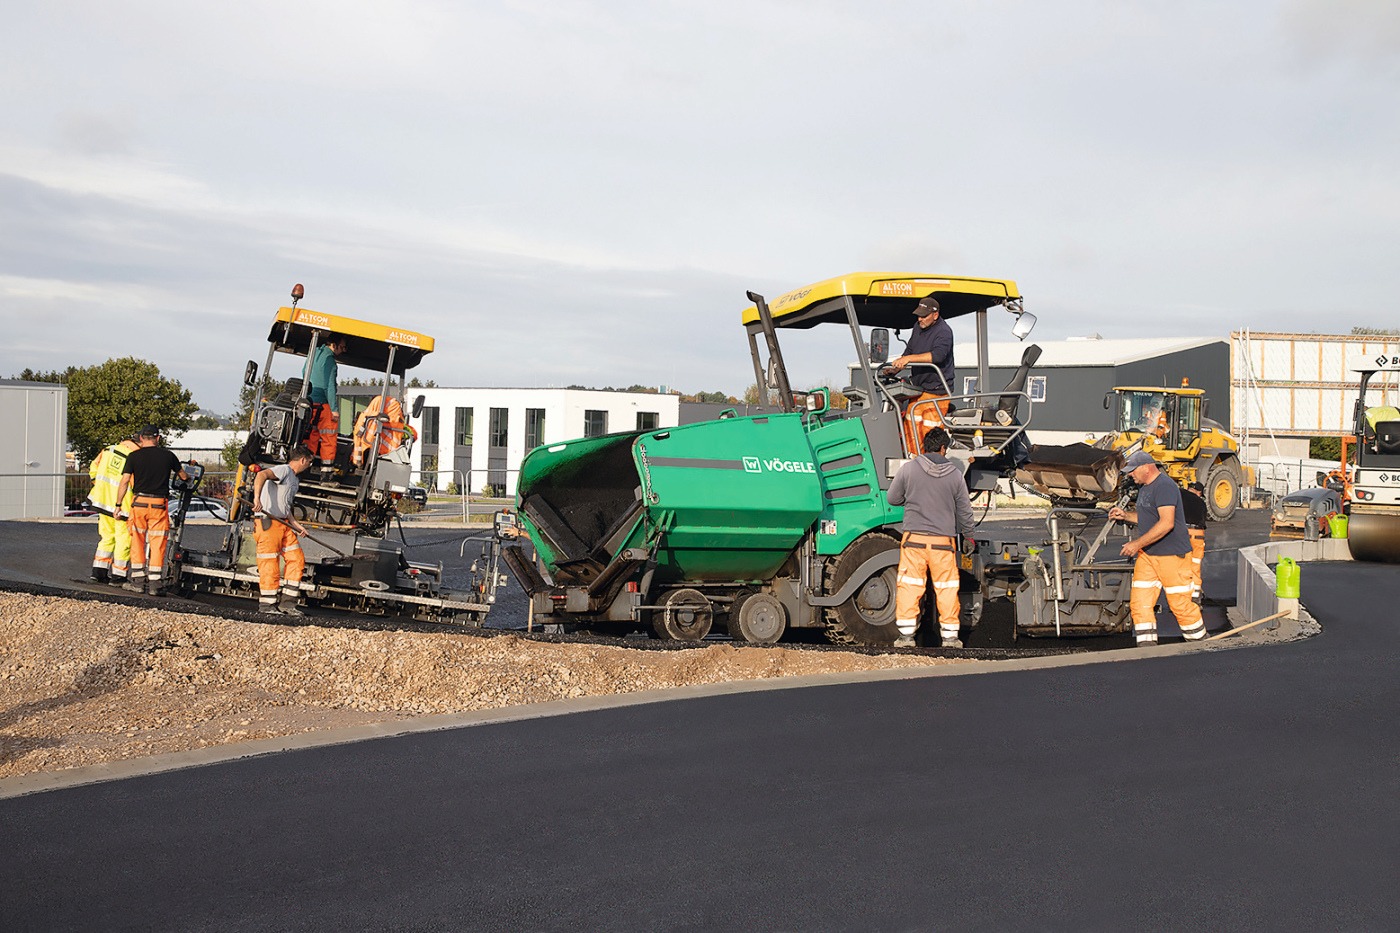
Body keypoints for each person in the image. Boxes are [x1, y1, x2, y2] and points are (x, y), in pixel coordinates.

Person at [886, 426, 975, 648]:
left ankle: (906, 637)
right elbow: (965, 511)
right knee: (946, 588)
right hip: (942, 543)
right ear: (943, 448)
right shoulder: (955, 475)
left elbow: (892, 498)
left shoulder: (908, 470)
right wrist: (969, 537)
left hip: (913, 540)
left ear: (925, 447)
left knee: (910, 585)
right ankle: (950, 638)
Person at [1108, 451, 1207, 645]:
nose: (1130, 475)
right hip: (1148, 555)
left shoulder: (1164, 486)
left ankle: (1201, 646)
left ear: (1147, 467)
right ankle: (1147, 651)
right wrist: (1125, 515)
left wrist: (1136, 544)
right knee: (1140, 604)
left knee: (1181, 606)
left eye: (1133, 471)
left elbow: (1166, 523)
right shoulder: (1145, 488)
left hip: (1171, 557)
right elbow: (1147, 518)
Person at [111, 426, 191, 596]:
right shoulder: (168, 456)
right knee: (157, 543)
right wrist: (189, 473)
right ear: (158, 438)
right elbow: (184, 476)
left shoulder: (133, 456)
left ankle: (138, 582)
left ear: (141, 438)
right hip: (159, 505)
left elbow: (124, 481)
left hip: (139, 504)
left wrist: (118, 505)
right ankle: (155, 584)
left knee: (137, 541)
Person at [886, 296, 955, 455]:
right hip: (919, 389)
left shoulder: (944, 332)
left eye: (924, 316)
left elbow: (937, 356)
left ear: (935, 315)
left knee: (929, 433)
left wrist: (908, 359)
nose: (920, 318)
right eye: (918, 315)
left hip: (936, 391)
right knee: (910, 426)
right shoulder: (917, 327)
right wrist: (896, 368)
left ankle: (928, 464)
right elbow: (910, 350)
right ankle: (910, 461)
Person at [252, 445, 314, 614]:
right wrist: (257, 499)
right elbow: (261, 474)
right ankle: (267, 605)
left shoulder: (294, 480)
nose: (309, 465)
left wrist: (297, 525)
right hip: (268, 523)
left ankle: (288, 604)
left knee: (296, 559)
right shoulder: (284, 470)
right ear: (302, 460)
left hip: (284, 523)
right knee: (270, 564)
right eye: (309, 462)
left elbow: (286, 506)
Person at [86, 433, 139, 585]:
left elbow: (93, 467)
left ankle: (99, 572)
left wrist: (99, 485)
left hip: (102, 501)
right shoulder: (135, 457)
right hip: (123, 505)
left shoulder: (108, 450)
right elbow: (135, 483)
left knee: (107, 537)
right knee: (124, 539)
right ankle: (118, 576)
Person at [307, 333, 347, 475]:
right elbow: (329, 386)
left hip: (310, 403)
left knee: (311, 434)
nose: (343, 351)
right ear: (334, 345)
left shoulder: (314, 354)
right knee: (329, 437)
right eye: (342, 347)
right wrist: (334, 409)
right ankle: (326, 474)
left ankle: (305, 467)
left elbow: (304, 372)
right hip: (323, 404)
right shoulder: (330, 361)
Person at [1182, 480, 1209, 604]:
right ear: (1199, 492)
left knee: (1181, 564)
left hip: (1183, 533)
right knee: (1195, 565)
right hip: (1198, 535)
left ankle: (1183, 595)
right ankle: (1195, 595)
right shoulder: (1201, 503)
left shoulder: (1179, 495)